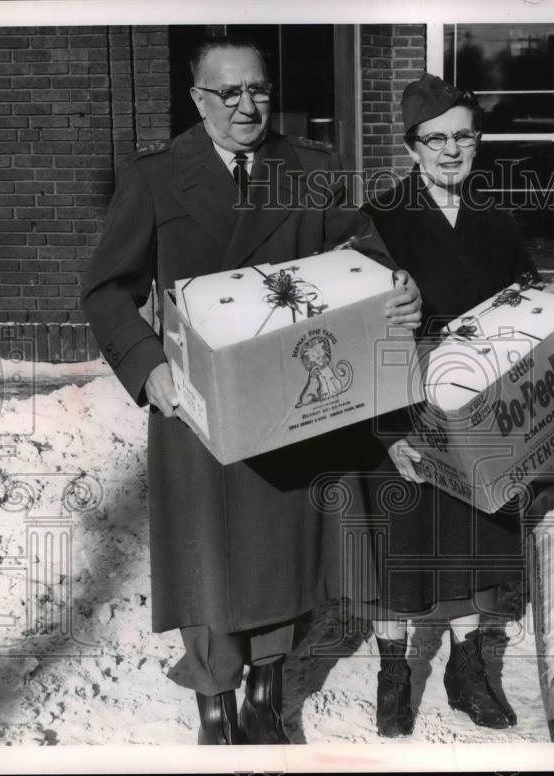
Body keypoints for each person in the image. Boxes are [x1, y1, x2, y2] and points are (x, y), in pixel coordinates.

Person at [80, 36, 421, 745]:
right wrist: (148, 367)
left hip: (290, 401)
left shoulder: (312, 169)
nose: (247, 105)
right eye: (228, 93)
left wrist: (398, 289)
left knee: (278, 554)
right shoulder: (154, 178)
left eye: (258, 90)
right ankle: (214, 698)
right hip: (196, 406)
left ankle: (267, 688)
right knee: (205, 557)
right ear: (198, 98)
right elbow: (107, 289)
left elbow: (363, 256)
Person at [358, 73, 536, 737]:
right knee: (399, 543)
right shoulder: (378, 221)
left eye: (464, 135)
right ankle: (393, 673)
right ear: (412, 149)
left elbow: (526, 300)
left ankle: (466, 671)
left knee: (472, 537)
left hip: (480, 408)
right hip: (404, 406)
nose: (451, 150)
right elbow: (359, 337)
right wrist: (388, 434)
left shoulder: (495, 219)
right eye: (436, 140)